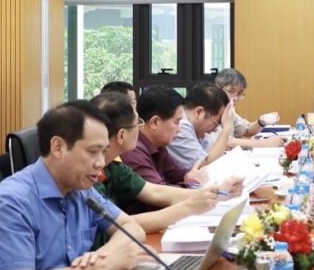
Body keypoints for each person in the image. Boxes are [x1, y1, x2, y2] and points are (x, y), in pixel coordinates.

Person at [0, 100, 149, 270]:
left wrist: (104, 256)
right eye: (93, 151)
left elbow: (131, 227)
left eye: (104, 152)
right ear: (58, 147)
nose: (101, 163)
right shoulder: (12, 202)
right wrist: (100, 266)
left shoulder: (81, 189)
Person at [91, 92, 243, 239]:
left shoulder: (114, 165)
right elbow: (120, 224)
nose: (140, 129)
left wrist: (218, 192)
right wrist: (189, 207)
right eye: (137, 124)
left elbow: (155, 192)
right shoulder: (89, 174)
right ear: (122, 135)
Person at [122, 85, 211, 188]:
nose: (179, 129)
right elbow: (158, 193)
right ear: (155, 122)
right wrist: (192, 182)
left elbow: (180, 175)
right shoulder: (134, 149)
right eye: (177, 122)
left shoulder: (159, 146)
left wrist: (192, 177)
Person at [167, 81, 235, 170]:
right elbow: (205, 166)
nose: (215, 129)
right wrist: (227, 128)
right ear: (199, 112)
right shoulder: (180, 127)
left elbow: (209, 156)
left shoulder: (198, 129)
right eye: (216, 123)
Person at [212, 68, 284, 148]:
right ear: (217, 89)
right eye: (231, 92)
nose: (235, 98)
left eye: (239, 93)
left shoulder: (229, 111)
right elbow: (226, 142)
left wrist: (261, 122)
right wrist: (265, 143)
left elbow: (246, 130)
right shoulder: (210, 111)